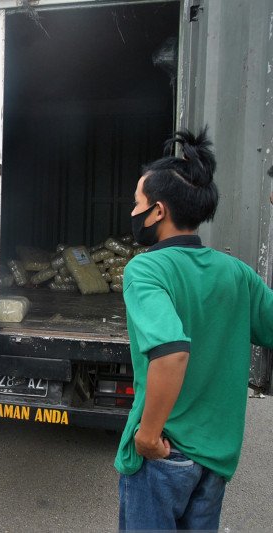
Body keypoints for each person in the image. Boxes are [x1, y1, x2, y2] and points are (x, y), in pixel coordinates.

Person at [114, 129, 273, 531]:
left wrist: (148, 435)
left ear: (159, 211)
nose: (133, 212)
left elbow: (171, 351)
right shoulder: (237, 272)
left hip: (165, 451)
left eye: (137, 203)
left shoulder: (146, 270)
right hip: (215, 457)